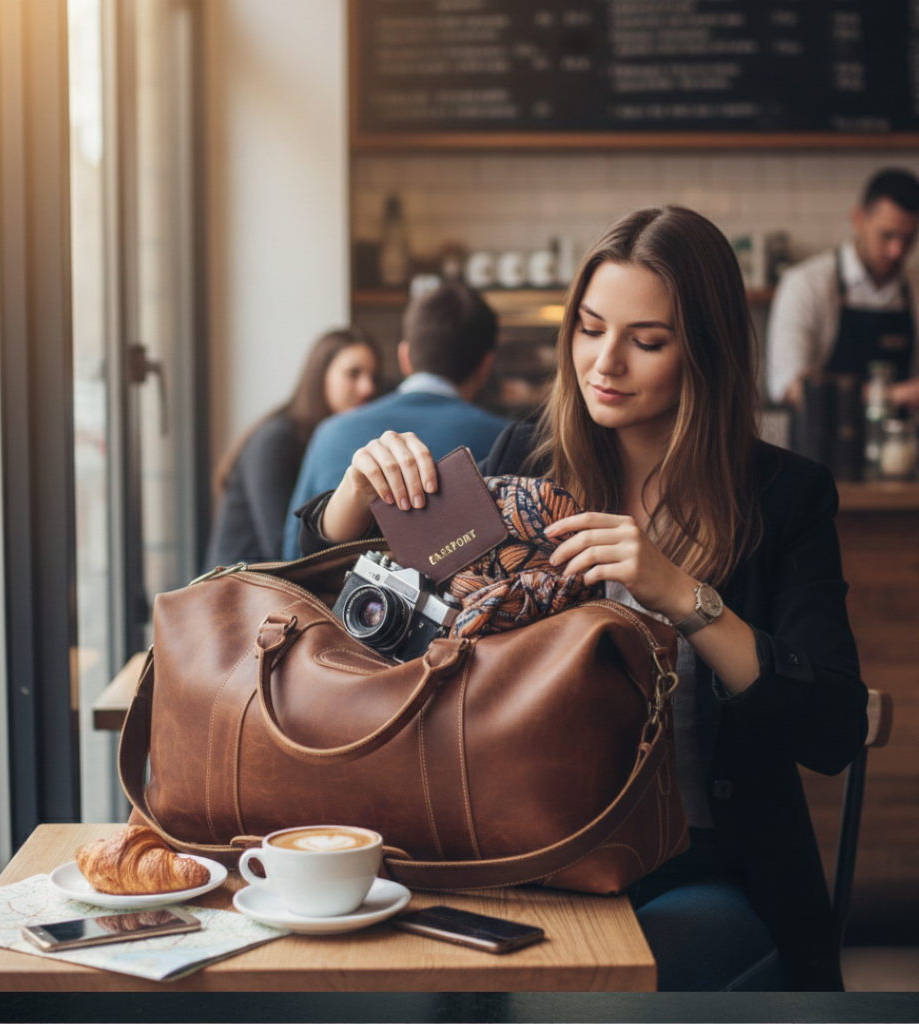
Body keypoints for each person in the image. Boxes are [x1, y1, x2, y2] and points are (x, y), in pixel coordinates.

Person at [297, 206, 869, 992]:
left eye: (647, 341)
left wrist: (680, 594)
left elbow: (832, 727)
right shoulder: (522, 457)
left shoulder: (784, 497)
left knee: (623, 974)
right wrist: (355, 500)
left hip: (692, 862)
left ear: (706, 354)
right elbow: (363, 619)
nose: (606, 362)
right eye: (591, 328)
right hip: (512, 848)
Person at [280, 282, 509, 560]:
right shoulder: (506, 440)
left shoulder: (331, 432)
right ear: (485, 365)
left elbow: (293, 556)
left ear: (405, 357)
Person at [202, 327, 379, 570]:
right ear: (321, 376)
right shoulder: (275, 441)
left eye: (373, 377)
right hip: (238, 596)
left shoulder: (328, 440)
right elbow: (284, 550)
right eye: (353, 374)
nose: (368, 388)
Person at [767, 167, 919, 409]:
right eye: (887, 235)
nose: (897, 251)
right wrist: (890, 396)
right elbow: (789, 385)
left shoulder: (914, 288)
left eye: (908, 239)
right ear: (858, 219)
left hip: (898, 444)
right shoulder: (806, 284)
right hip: (818, 444)